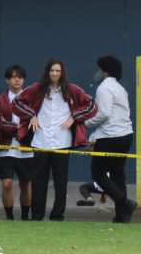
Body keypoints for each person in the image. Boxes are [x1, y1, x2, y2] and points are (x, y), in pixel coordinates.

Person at [13, 58, 97, 222]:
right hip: (40, 141)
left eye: (58, 71)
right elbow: (16, 103)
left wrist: (75, 116)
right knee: (38, 182)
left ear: (62, 72)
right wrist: (31, 115)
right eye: (52, 70)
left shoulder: (72, 90)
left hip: (62, 141)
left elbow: (92, 106)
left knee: (61, 183)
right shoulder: (37, 89)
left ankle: (57, 215)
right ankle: (37, 216)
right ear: (47, 72)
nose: (55, 73)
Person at [84, 55, 137, 223]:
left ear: (104, 70)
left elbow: (104, 114)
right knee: (117, 174)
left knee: (98, 173)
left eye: (98, 69)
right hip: (126, 135)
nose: (97, 72)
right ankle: (121, 215)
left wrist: (85, 124)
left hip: (110, 136)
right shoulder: (121, 88)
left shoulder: (104, 88)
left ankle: (124, 203)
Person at [0, 65, 34, 220]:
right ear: (7, 80)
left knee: (25, 184)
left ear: (24, 80)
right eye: (13, 77)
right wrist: (17, 127)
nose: (17, 79)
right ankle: (9, 216)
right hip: (5, 147)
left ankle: (25, 216)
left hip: (26, 148)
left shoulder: (31, 100)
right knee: (6, 183)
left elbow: (35, 123)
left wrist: (12, 125)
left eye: (20, 77)